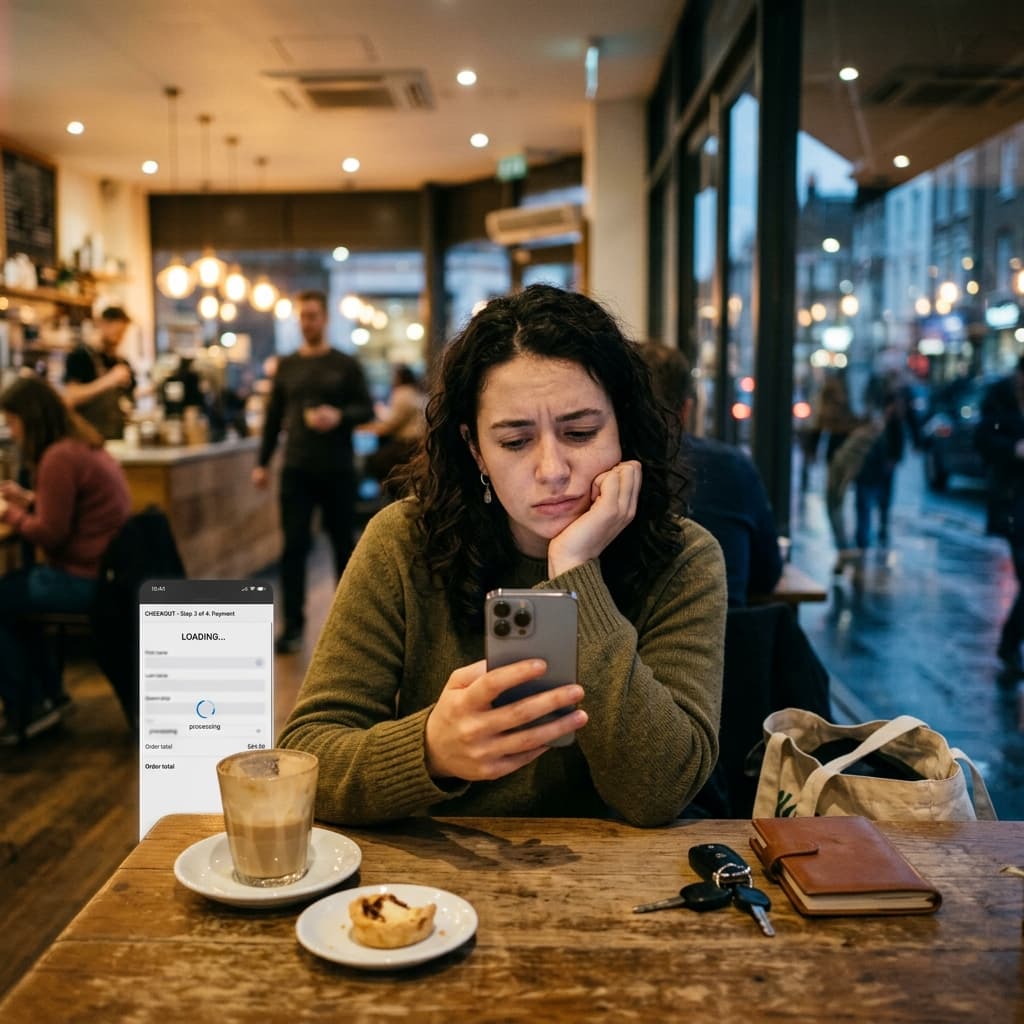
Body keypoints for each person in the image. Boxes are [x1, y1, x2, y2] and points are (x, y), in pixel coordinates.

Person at [278, 283, 727, 826]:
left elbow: (660, 791)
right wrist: (430, 750)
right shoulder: (404, 543)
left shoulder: (684, 559)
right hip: (430, 890)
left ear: (623, 430)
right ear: (476, 451)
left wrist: (576, 572)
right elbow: (308, 756)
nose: (552, 470)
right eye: (514, 442)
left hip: (619, 891)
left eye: (581, 432)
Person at [0, 374, 131, 743]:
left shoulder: (58, 457)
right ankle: (47, 696)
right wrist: (29, 501)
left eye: (12, 421)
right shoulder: (79, 445)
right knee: (14, 594)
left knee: (7, 597)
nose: (11, 430)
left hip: (86, 579)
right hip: (107, 573)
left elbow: (49, 535)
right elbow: (67, 515)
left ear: (31, 418)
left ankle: (33, 703)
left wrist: (8, 513)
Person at [252, 290, 373, 654]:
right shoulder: (287, 366)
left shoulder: (345, 364)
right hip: (296, 468)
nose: (308, 322)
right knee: (294, 548)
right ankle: (292, 627)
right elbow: (273, 418)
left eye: (314, 316)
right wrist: (262, 463)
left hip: (337, 467)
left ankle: (351, 628)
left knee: (343, 548)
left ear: (325, 319)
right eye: (303, 316)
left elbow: (366, 409)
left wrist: (339, 416)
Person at [640, 344, 782, 606]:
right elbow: (767, 574)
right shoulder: (734, 465)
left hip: (632, 640)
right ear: (686, 409)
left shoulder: (612, 472)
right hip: (736, 636)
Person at [975, 356, 1024, 675]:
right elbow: (983, 438)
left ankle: (1009, 644)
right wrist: (1013, 449)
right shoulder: (999, 397)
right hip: (1012, 499)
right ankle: (1008, 644)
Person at [63, 305, 136, 440]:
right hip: (88, 438)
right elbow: (70, 397)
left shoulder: (122, 362)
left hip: (117, 436)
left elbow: (129, 399)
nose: (119, 339)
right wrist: (110, 380)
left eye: (122, 334)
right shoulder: (80, 356)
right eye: (116, 333)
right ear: (102, 324)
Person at [361, 363, 426, 493]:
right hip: (418, 443)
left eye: (394, 375)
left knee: (371, 461)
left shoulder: (402, 394)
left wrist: (367, 428)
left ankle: (385, 491)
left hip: (407, 444)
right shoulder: (416, 392)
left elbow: (391, 424)